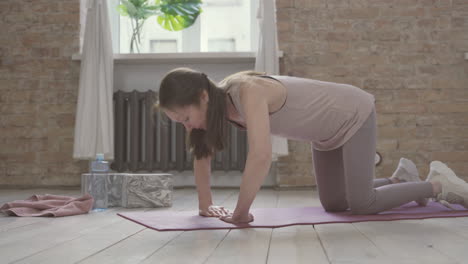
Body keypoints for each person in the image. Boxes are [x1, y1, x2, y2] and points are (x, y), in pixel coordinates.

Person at [155, 67, 468, 224]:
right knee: (334, 204)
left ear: (203, 97)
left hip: (352, 114)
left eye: (185, 117)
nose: (187, 125)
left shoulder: (245, 91)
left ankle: (438, 183)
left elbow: (262, 155)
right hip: (324, 134)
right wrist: (205, 205)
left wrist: (241, 213)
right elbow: (202, 155)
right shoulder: (216, 110)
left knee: (362, 203)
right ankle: (401, 180)